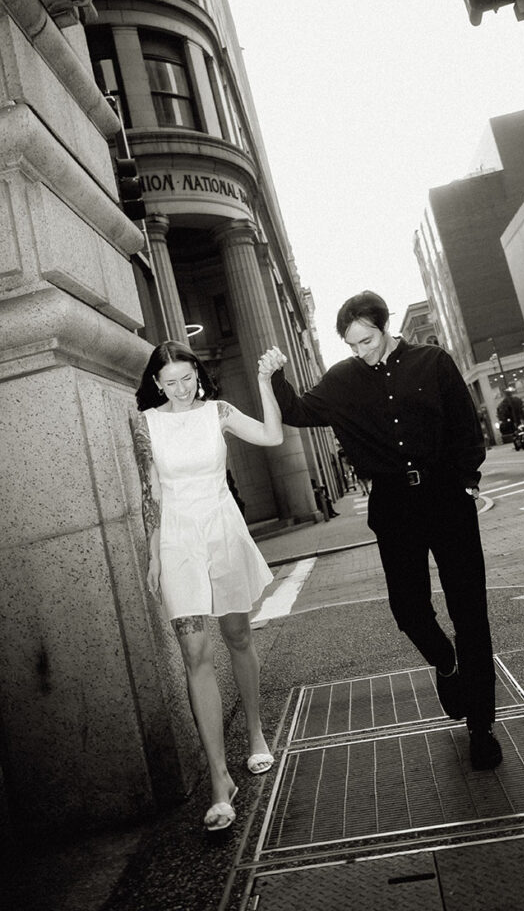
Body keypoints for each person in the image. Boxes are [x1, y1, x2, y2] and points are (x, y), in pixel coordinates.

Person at [264, 290, 502, 771]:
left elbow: (465, 426)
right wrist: (273, 376)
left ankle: (481, 727)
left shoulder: (433, 362)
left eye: (367, 341)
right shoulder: (342, 379)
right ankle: (447, 662)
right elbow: (298, 412)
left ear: (385, 327)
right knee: (408, 609)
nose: (362, 352)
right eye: (353, 345)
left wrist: (467, 481)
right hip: (393, 505)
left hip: (446, 496)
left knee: (470, 612)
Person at [132, 340, 284, 832]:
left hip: (222, 530)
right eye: (170, 382)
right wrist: (153, 554)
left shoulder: (218, 412)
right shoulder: (145, 424)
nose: (180, 389)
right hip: (177, 540)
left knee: (237, 635)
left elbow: (272, 435)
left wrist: (263, 382)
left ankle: (255, 732)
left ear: (197, 374)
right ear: (156, 383)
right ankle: (220, 781)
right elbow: (151, 492)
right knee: (194, 652)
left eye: (187, 378)